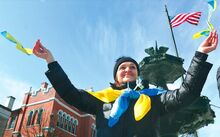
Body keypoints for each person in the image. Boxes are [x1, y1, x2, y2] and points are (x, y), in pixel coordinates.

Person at [33, 31, 218, 137]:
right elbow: (69, 92)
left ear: (137, 74)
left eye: (132, 67)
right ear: (116, 77)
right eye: (122, 68)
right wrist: (51, 61)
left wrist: (200, 55)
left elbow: (187, 94)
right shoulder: (100, 100)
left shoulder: (154, 98)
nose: (128, 69)